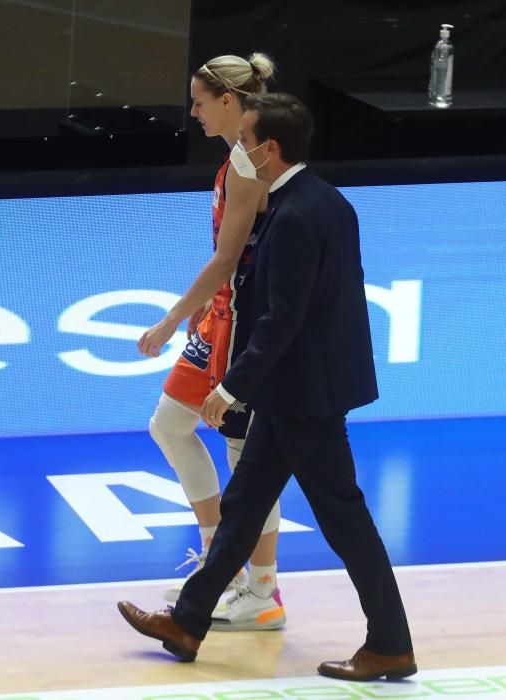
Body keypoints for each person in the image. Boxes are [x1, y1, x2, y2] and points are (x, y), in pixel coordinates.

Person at [118, 93, 417, 682]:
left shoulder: (298, 216)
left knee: (342, 517)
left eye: (245, 139)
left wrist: (231, 387)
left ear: (269, 149)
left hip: (304, 393)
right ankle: (188, 622)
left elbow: (285, 317)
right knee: (244, 506)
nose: (238, 150)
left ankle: (389, 641)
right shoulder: (322, 201)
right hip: (298, 388)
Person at [139, 53, 286, 630]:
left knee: (243, 456)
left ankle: (264, 591)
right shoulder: (234, 157)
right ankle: (218, 564)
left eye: (200, 102)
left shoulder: (251, 164)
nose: (193, 112)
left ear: (229, 101)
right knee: (170, 426)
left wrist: (173, 317)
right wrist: (200, 311)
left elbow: (229, 258)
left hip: (242, 322)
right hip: (218, 317)